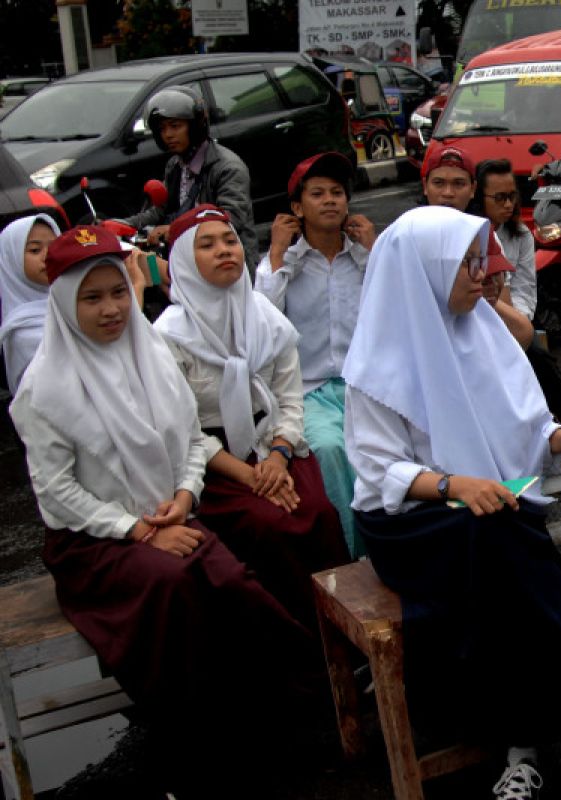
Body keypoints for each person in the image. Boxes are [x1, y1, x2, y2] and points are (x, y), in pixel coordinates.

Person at [342, 206, 561, 799]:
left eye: (481, 259)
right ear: (423, 272)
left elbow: (524, 418)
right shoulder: (378, 359)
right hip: (410, 523)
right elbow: (376, 470)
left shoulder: (485, 327)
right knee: (500, 533)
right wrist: (452, 484)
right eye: (467, 263)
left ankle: (519, 748)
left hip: (486, 508)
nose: (483, 274)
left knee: (500, 557)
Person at [11, 224, 327, 790]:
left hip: (170, 513)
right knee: (177, 587)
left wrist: (184, 497)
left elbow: (186, 441)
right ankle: (200, 742)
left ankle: (283, 713)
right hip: (96, 541)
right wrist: (137, 530)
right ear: (63, 303)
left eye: (115, 293)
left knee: (231, 582)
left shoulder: (149, 354)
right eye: (91, 298)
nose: (111, 310)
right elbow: (56, 493)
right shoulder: (45, 388)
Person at [155, 205, 350, 629]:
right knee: (267, 524)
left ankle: (344, 627)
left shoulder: (265, 318)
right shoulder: (168, 336)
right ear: (185, 260)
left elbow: (290, 396)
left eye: (229, 241)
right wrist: (249, 476)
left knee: (318, 512)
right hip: (213, 462)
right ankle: (295, 640)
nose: (225, 251)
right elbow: (182, 427)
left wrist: (278, 457)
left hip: (271, 445)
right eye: (206, 245)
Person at [255, 152, 375, 559]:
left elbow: (393, 308)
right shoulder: (282, 264)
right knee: (329, 449)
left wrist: (375, 251)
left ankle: (397, 543)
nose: (330, 201)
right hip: (309, 390)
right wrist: (276, 253)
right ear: (296, 207)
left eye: (337, 193)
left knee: (390, 447)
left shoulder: (362, 258)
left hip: (365, 385)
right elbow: (261, 327)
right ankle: (352, 553)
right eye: (317, 193)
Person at [426, 143, 561, 436]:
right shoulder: (414, 234)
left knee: (532, 355)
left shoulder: (495, 237)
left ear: (471, 189)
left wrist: (510, 317)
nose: (448, 193)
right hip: (448, 333)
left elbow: (520, 289)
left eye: (512, 196)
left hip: (495, 317)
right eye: (439, 183)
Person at [121, 85, 258, 266]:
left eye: (175, 126)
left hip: (228, 264)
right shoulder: (175, 165)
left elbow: (231, 218)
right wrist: (121, 225)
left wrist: (174, 229)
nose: (168, 135)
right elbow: (161, 209)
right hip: (188, 260)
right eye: (162, 129)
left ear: (195, 126)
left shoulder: (227, 168)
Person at [473, 158, 536, 320]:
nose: (509, 204)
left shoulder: (522, 235)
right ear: (479, 197)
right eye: (500, 197)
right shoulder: (470, 234)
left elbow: (525, 288)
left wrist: (519, 319)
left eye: (512, 196)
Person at [0, 214, 58, 391]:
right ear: (12, 259)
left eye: (54, 247)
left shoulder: (73, 299)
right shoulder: (21, 329)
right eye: (35, 250)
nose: (47, 256)